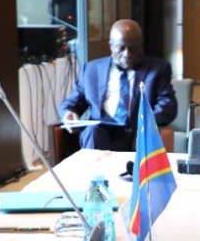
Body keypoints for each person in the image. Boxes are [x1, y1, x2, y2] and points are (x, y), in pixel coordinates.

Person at [60, 19, 178, 151]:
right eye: (121, 48)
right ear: (111, 46)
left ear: (142, 45)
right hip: (100, 132)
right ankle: (95, 171)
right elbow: (74, 101)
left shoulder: (157, 69)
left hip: (135, 131)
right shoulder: (91, 70)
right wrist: (69, 112)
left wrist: (146, 122)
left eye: (134, 48)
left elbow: (168, 105)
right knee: (92, 132)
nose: (127, 54)